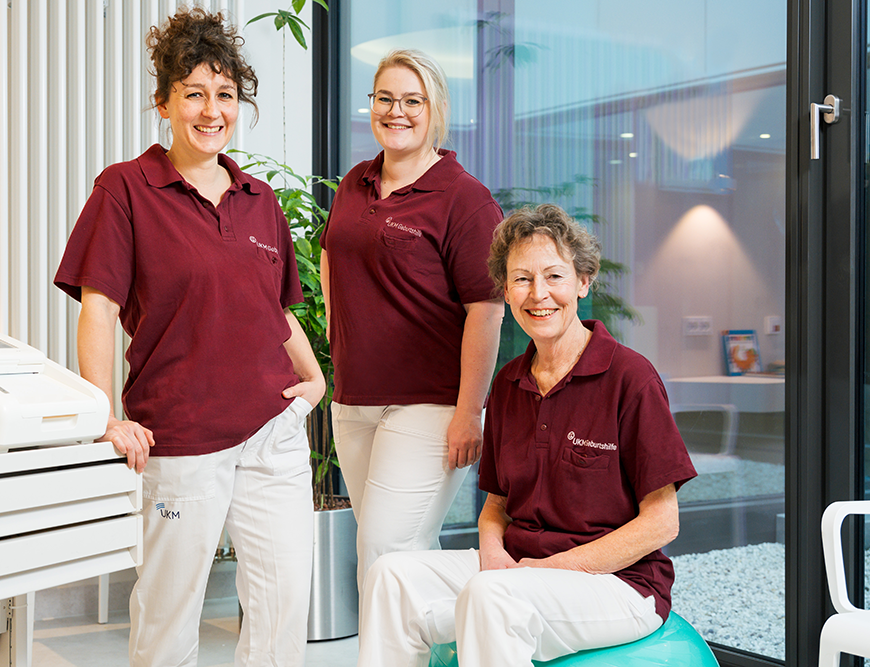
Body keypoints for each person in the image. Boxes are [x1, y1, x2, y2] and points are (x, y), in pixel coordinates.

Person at [53, 9, 324, 667]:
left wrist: (315, 379)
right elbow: (99, 307)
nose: (211, 110)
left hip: (272, 432)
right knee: (169, 615)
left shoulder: (259, 199)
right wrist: (104, 416)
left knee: (284, 606)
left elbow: (275, 309)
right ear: (165, 103)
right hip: (180, 436)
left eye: (225, 94)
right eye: (194, 93)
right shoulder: (125, 188)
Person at [357, 204, 698, 667]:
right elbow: (496, 505)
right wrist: (495, 555)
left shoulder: (630, 378)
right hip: (519, 566)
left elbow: (662, 523)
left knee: (491, 597)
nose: (539, 294)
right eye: (521, 279)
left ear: (583, 282)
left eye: (554, 276)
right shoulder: (508, 383)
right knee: (390, 575)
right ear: (506, 291)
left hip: (617, 583)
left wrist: (545, 569)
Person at [319, 49, 505, 596]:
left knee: (385, 552)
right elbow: (331, 254)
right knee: (405, 554)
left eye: (412, 101)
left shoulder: (465, 199)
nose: (395, 111)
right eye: (384, 98)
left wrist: (469, 411)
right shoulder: (355, 182)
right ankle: (461, 636)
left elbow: (487, 309)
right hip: (354, 400)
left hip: (430, 405)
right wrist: (337, 331)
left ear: (436, 109)